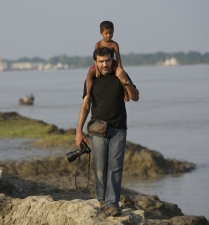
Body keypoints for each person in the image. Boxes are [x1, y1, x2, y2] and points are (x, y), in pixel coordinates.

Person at [75, 47, 139, 217]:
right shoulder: (92, 79)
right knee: (100, 168)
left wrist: (124, 80)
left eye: (108, 60)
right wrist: (78, 131)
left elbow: (135, 96)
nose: (105, 64)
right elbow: (85, 105)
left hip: (118, 129)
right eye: (101, 61)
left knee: (116, 167)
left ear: (112, 60)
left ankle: (112, 203)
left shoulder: (120, 74)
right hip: (97, 130)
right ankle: (102, 200)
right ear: (95, 62)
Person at [86, 21, 129, 103]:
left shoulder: (114, 44)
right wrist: (97, 70)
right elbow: (96, 59)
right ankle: (88, 95)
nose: (108, 35)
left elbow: (118, 58)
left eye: (111, 33)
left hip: (112, 63)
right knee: (89, 74)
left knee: (121, 75)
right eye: (106, 33)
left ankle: (126, 93)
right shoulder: (98, 44)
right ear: (101, 33)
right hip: (99, 64)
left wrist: (120, 68)